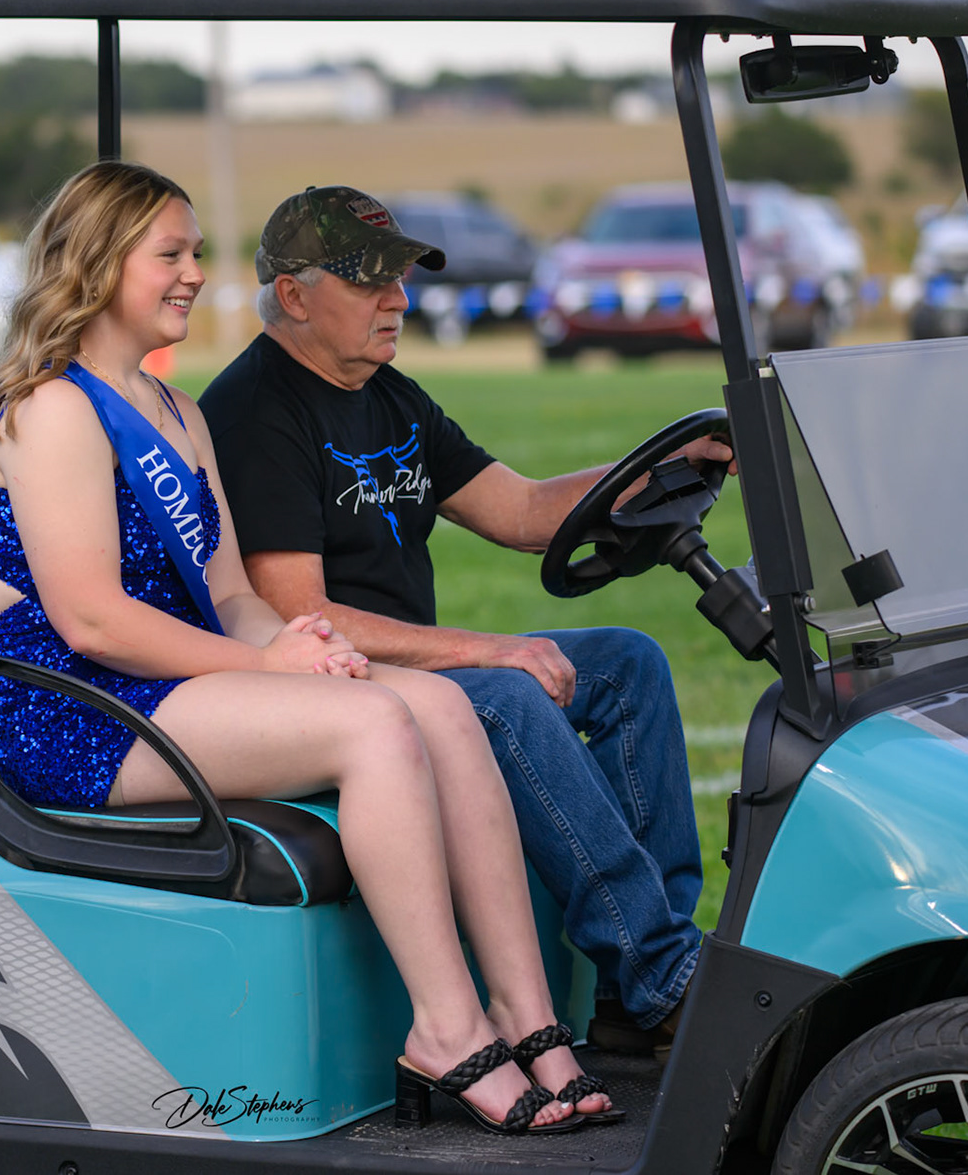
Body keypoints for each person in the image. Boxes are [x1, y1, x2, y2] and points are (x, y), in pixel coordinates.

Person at [0, 161, 617, 1134]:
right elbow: (92, 621)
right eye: (170, 255)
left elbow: (231, 595)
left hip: (167, 681)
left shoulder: (175, 411)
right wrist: (271, 667)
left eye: (194, 253)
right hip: (77, 709)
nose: (195, 273)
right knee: (376, 727)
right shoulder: (55, 407)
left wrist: (304, 643)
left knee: (441, 704)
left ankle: (533, 1021)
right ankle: (446, 1027)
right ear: (98, 264)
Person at [199, 185, 728, 1057]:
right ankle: (665, 974)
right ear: (294, 295)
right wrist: (489, 650)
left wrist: (656, 468)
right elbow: (301, 615)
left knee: (628, 664)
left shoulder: (388, 396)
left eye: (400, 279)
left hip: (416, 670)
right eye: (370, 282)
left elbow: (521, 510)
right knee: (509, 696)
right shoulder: (259, 412)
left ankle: (641, 991)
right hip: (338, 684)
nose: (398, 300)